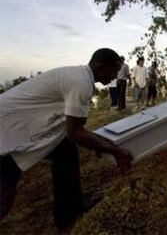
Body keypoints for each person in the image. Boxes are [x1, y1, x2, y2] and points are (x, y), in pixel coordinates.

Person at [0, 48, 133, 229]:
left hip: (15, 125)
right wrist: (116, 151)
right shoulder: (81, 83)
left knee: (65, 153)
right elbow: (75, 132)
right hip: (7, 130)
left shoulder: (79, 76)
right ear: (101, 67)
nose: (116, 75)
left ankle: (68, 214)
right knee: (5, 186)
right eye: (114, 70)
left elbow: (75, 130)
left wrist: (104, 144)